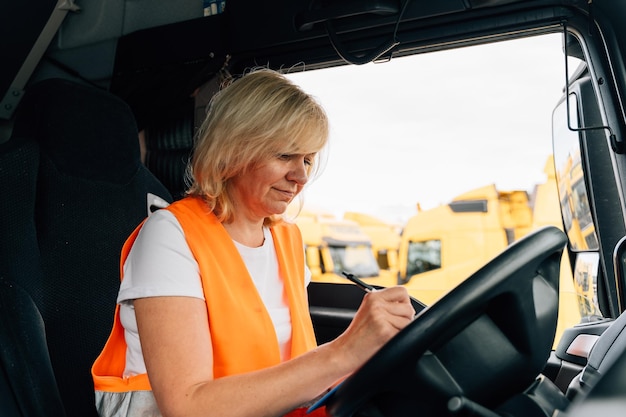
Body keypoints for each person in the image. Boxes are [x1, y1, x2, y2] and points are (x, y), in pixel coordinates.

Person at [91, 68, 414, 417]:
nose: (301, 176)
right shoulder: (171, 235)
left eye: (307, 159)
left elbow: (284, 368)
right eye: (285, 155)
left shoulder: (286, 239)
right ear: (233, 151)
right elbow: (187, 407)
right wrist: (343, 352)